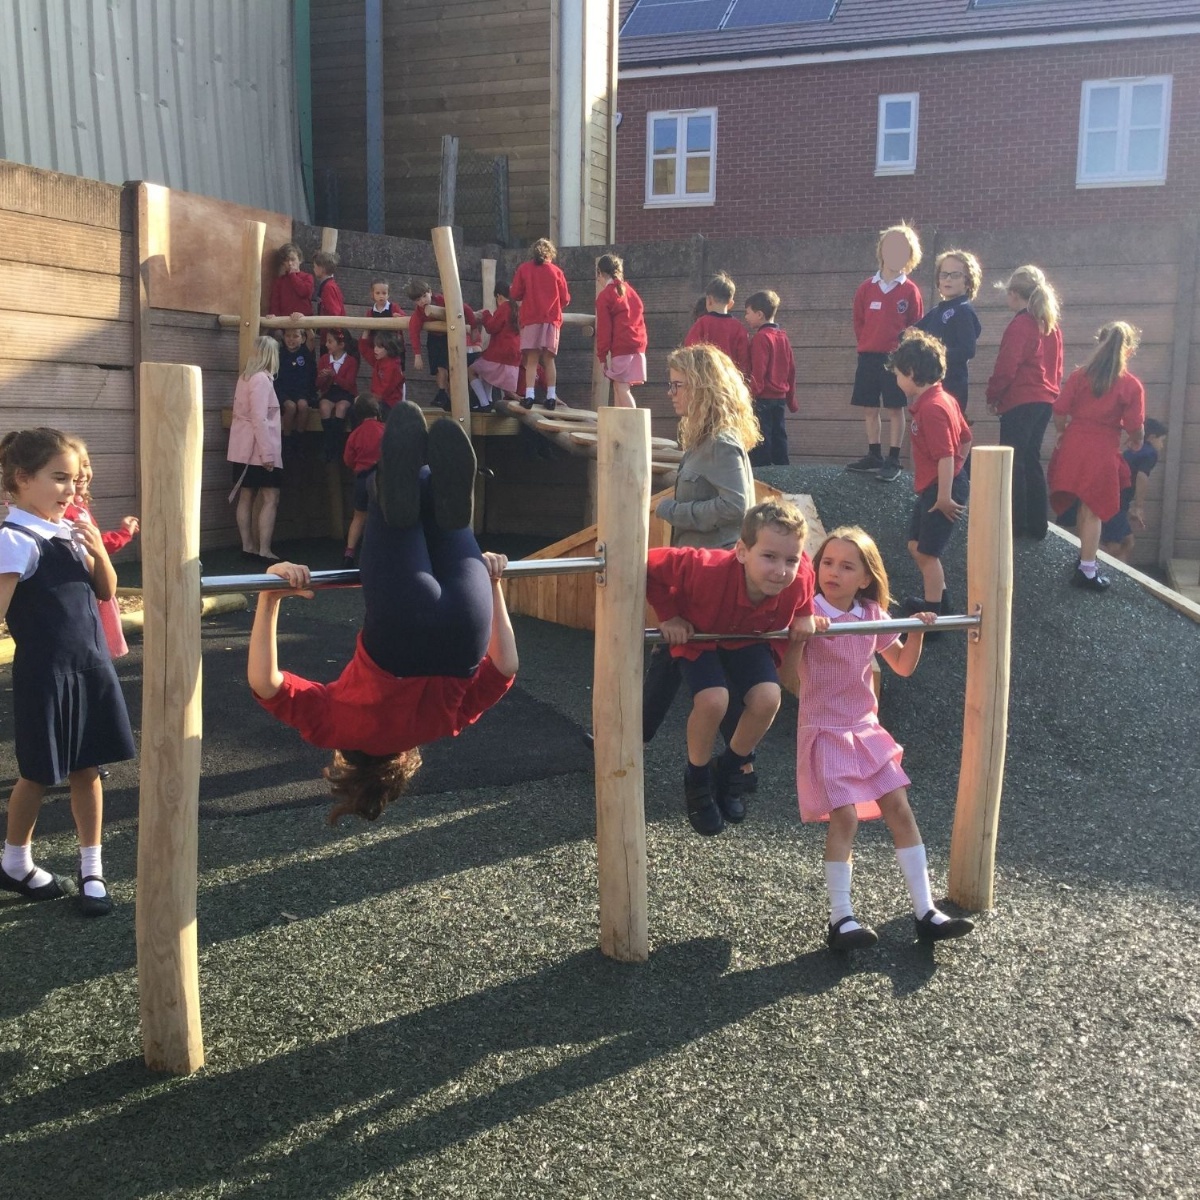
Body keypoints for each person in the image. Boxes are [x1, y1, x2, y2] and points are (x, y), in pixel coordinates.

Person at [248, 402, 517, 823]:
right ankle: (402, 483)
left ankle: (437, 489)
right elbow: (266, 685)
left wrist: (493, 584)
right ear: (345, 762)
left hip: (467, 627)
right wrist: (270, 597)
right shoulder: (333, 728)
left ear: (403, 762)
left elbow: (505, 667)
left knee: (444, 517)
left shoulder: (444, 725)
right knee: (388, 500)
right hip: (400, 631)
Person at [793, 526, 974, 950]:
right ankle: (841, 918)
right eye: (827, 563)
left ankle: (926, 911)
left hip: (865, 728)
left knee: (900, 809)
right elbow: (789, 675)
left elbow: (903, 666)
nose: (833, 572)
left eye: (846, 566)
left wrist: (917, 631)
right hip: (826, 729)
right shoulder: (809, 611)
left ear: (865, 578)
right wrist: (802, 634)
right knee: (846, 817)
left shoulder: (871, 614)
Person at [0, 427, 135, 916]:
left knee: (89, 769)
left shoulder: (69, 531)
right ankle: (15, 862)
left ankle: (91, 868)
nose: (72, 490)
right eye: (59, 478)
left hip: (90, 669)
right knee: (37, 773)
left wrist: (98, 549)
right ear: (22, 479)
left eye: (75, 480)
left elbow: (106, 591)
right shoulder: (15, 539)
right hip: (45, 676)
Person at [646, 500, 815, 837]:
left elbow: (807, 570)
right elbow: (647, 565)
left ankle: (728, 768)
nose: (781, 570)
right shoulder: (705, 568)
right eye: (769, 556)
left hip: (746, 636)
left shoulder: (796, 580)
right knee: (713, 700)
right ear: (741, 551)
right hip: (700, 633)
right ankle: (697, 778)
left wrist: (805, 612)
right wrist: (669, 616)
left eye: (789, 560)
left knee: (768, 698)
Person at [642, 344, 760, 769]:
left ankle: (742, 763)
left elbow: (738, 507)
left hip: (713, 572)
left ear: (702, 388)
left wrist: (673, 510)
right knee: (674, 653)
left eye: (677, 385)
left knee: (702, 662)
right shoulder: (703, 440)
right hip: (698, 569)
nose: (670, 393)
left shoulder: (720, 443)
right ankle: (628, 738)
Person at [1047, 321, 1145, 591]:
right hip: (1102, 448)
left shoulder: (1080, 376)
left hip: (1074, 443)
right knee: (1094, 509)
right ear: (1129, 350)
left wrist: (1061, 431)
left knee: (1082, 505)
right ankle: (1088, 570)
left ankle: (1084, 559)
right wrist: (1136, 440)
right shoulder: (1130, 384)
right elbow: (1135, 425)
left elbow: (1059, 409)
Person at [889, 329, 971, 620]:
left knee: (927, 553)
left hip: (941, 488)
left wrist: (945, 495)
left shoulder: (934, 408)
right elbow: (965, 439)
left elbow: (946, 455)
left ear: (912, 372)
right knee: (916, 545)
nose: (897, 380)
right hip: (936, 485)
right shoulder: (942, 399)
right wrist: (957, 470)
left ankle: (933, 613)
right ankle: (940, 600)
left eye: (898, 374)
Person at [985, 265, 1063, 540]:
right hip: (1044, 400)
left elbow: (1007, 366)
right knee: (1031, 458)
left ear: (1014, 294)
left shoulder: (1020, 324)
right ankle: (1037, 524)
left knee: (1014, 461)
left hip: (1020, 399)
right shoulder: (1050, 325)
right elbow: (1057, 367)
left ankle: (1015, 524)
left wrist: (993, 395)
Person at [846, 223, 924, 483]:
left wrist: (904, 354)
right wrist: (868, 343)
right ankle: (874, 454)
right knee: (869, 406)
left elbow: (915, 325)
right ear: (881, 250)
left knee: (895, 407)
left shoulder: (910, 290)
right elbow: (859, 322)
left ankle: (893, 457)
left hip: (896, 359)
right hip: (869, 356)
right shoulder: (866, 288)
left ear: (910, 255)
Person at [64, 437, 140, 659]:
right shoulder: (68, 510)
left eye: (86, 464)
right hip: (88, 588)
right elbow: (95, 545)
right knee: (93, 647)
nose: (82, 473)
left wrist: (123, 533)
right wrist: (124, 534)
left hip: (96, 585)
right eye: (72, 469)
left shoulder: (78, 505)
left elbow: (96, 543)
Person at [228, 335, 283, 563]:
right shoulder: (261, 379)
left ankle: (248, 546)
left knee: (246, 494)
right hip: (258, 448)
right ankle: (264, 550)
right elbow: (259, 418)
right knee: (271, 496)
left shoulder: (245, 377)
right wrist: (267, 453)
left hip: (243, 447)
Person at [915, 248, 982, 416]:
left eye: (955, 275)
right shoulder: (937, 311)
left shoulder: (963, 310)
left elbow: (967, 350)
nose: (948, 279)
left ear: (968, 281)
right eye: (944, 274)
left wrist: (934, 354)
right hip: (931, 384)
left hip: (952, 386)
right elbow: (911, 333)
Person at [510, 238, 571, 410]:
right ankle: (551, 397)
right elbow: (565, 299)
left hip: (530, 319)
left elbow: (515, 293)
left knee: (532, 360)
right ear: (550, 253)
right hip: (551, 320)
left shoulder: (524, 269)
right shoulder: (557, 272)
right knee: (549, 359)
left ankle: (529, 396)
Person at [1101, 417, 1168, 563]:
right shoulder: (1150, 452)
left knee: (1128, 542)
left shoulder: (1134, 451)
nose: (1162, 445)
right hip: (1114, 502)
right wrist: (1139, 506)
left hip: (1115, 500)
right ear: (1151, 437)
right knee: (1113, 546)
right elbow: (1142, 477)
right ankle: (1089, 561)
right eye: (1161, 440)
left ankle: (1117, 573)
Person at [406, 280, 479, 412]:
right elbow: (414, 332)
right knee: (438, 370)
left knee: (446, 368)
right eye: (418, 300)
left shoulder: (442, 301)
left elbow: (465, 308)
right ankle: (444, 396)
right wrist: (417, 355)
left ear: (430, 292)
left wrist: (474, 328)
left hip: (448, 337)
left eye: (424, 296)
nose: (422, 301)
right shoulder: (419, 313)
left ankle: (446, 395)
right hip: (434, 339)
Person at [744, 289, 797, 466]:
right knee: (779, 435)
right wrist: (791, 400)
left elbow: (759, 370)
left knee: (761, 438)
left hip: (763, 397)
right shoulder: (783, 337)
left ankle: (763, 473)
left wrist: (751, 394)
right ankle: (783, 470)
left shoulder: (761, 338)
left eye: (748, 313)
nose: (746, 317)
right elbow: (791, 370)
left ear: (759, 314)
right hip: (780, 397)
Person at [595, 253, 648, 409]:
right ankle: (622, 423)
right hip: (638, 345)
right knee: (620, 388)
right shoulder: (630, 291)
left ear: (600, 273)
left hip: (622, 347)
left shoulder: (605, 296)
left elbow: (604, 329)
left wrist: (602, 357)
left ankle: (637, 422)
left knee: (621, 388)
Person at [342, 394, 385, 566]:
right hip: (380, 478)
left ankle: (349, 553)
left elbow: (348, 459)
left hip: (361, 477)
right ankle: (378, 554)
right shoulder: (385, 430)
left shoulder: (355, 434)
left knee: (358, 516)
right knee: (381, 516)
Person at [684, 272, 750, 378]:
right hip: (730, 379)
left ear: (709, 300)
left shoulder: (701, 323)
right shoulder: (739, 328)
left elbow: (689, 350)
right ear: (731, 304)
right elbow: (744, 360)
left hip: (706, 378)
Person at [472, 280, 521, 412]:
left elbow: (491, 327)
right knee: (488, 375)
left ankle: (484, 403)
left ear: (498, 296)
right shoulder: (517, 309)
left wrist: (486, 314)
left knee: (472, 370)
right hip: (514, 353)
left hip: (500, 351)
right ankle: (488, 401)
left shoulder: (504, 307)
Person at [316, 328, 360, 463]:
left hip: (345, 393)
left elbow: (349, 385)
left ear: (341, 345)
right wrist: (323, 377)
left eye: (330, 342)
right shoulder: (324, 359)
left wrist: (334, 376)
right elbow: (319, 385)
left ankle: (335, 446)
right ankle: (329, 443)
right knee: (324, 407)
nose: (326, 344)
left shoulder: (351, 361)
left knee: (341, 408)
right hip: (330, 392)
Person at [358, 279, 407, 385]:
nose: (381, 296)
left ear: (388, 294)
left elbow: (404, 318)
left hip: (394, 348)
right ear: (372, 294)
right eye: (378, 293)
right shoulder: (370, 312)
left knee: (397, 375)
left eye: (384, 293)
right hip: (379, 348)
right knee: (381, 373)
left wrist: (399, 317)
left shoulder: (394, 307)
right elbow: (367, 331)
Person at [275, 326, 317, 451]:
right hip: (284, 391)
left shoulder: (305, 351)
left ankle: (299, 438)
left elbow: (311, 337)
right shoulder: (280, 352)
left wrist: (302, 320)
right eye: (288, 336)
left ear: (302, 339)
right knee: (291, 407)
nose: (291, 339)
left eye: (295, 336)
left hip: (301, 391)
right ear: (283, 337)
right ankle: (287, 440)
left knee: (303, 406)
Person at [266, 242, 314, 328]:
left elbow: (304, 292)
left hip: (304, 323)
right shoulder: (280, 281)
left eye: (293, 259)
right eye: (286, 260)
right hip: (285, 324)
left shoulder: (308, 277)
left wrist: (293, 275)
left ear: (300, 260)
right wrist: (274, 316)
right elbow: (275, 303)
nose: (290, 263)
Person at [369, 331, 406, 414]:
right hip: (379, 399)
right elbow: (364, 349)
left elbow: (385, 389)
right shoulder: (379, 360)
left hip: (390, 404)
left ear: (389, 349)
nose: (375, 349)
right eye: (375, 346)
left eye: (379, 347)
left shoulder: (393, 367)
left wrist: (371, 399)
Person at [312, 250, 346, 318]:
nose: (313, 269)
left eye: (315, 266)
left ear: (322, 269)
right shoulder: (330, 285)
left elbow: (334, 312)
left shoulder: (328, 287)